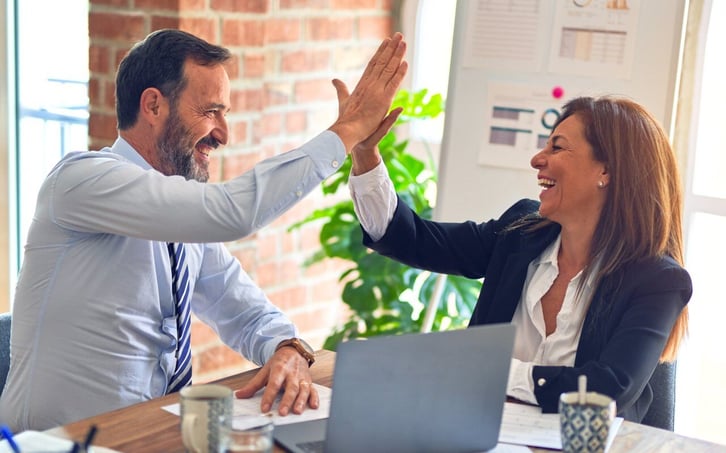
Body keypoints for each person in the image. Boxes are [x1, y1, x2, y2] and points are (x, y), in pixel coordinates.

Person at [0, 28, 407, 431]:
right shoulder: (81, 181)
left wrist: (288, 348)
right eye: (211, 111)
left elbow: (245, 311)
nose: (223, 134)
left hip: (150, 435)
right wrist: (348, 130)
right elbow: (233, 212)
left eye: (224, 114)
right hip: (56, 443)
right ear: (154, 105)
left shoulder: (181, 221)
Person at [347, 95, 691, 422]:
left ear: (606, 171)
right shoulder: (520, 233)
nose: (537, 159)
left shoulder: (657, 280)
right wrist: (365, 154)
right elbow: (413, 239)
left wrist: (491, 371)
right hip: (480, 435)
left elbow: (607, 390)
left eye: (557, 147)